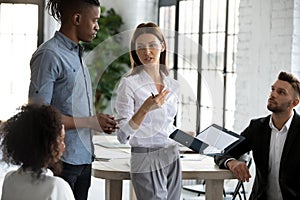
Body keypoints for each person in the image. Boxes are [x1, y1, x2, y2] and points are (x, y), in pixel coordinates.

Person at [28, 0, 118, 199]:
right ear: (77, 19)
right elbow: (39, 115)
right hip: (61, 160)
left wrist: (96, 121)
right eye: (94, 20)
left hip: (83, 157)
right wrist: (91, 122)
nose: (98, 27)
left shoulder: (77, 54)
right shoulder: (49, 55)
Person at [114, 22, 184, 200]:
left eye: (152, 45)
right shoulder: (129, 84)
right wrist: (145, 109)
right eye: (140, 47)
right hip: (145, 155)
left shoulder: (172, 84)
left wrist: (195, 142)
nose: (147, 52)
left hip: (171, 154)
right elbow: (122, 136)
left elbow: (168, 127)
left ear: (163, 46)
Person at [214, 71, 300, 200]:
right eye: (273, 89)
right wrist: (231, 162)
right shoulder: (257, 127)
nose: (273, 94)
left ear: (294, 103)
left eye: (281, 92)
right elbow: (222, 150)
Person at [0, 104, 75, 200]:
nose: (63, 145)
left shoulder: (9, 179)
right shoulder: (56, 187)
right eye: (61, 139)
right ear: (47, 144)